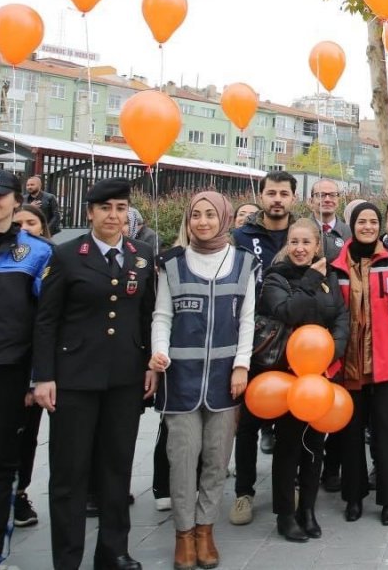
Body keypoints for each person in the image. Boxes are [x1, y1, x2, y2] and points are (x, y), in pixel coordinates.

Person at [33, 177, 156, 570]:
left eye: (121, 208)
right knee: (70, 474)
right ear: (90, 212)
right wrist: (44, 375)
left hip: (124, 378)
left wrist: (150, 363)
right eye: (105, 208)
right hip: (75, 380)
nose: (113, 216)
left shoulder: (142, 254)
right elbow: (46, 322)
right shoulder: (67, 255)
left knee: (116, 467)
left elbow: (149, 315)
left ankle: (113, 550)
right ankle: (67, 558)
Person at [149, 192, 257, 570]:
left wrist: (242, 366)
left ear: (225, 218)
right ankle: (183, 533)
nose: (203, 221)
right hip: (179, 379)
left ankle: (205, 529)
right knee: (181, 459)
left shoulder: (245, 263)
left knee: (215, 459)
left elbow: (247, 319)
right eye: (196, 214)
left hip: (225, 381)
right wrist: (159, 350)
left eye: (211, 214)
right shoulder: (171, 264)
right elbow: (162, 315)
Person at [0, 171, 52, 568]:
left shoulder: (36, 253)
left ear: (16, 200)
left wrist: (38, 376)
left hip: (7, 375)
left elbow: (45, 321)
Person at [258, 219, 349, 541]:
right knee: (288, 448)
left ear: (316, 247)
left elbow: (340, 317)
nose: (299, 248)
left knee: (314, 446)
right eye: (294, 242)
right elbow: (286, 312)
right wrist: (309, 280)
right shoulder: (275, 277)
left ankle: (307, 509)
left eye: (306, 243)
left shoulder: (332, 278)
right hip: (286, 376)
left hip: (320, 375)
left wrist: (331, 352)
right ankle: (285, 514)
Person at [331, 203, 388, 526]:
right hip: (349, 361)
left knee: (384, 429)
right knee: (351, 431)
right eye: (361, 221)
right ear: (352, 225)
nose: (367, 226)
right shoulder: (336, 267)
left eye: (373, 221)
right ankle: (354, 496)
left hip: (384, 360)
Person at [229, 170, 298, 524]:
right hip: (252, 339)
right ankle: (244, 492)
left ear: (292, 198)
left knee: (291, 418)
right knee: (248, 422)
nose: (277, 199)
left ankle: (290, 485)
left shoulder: (303, 235)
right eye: (271, 193)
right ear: (262, 195)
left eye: (283, 194)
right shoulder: (241, 237)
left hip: (296, 340)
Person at [10, 203, 53, 531]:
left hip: (33, 366)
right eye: (18, 222)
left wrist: (38, 375)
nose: (25, 228)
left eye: (31, 222)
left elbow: (49, 320)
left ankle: (19, 492)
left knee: (25, 437)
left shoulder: (50, 260)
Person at [308, 178, 350, 262]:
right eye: (321, 195)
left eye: (332, 195)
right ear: (311, 201)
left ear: (338, 200)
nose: (327, 199)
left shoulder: (349, 233)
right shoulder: (299, 230)